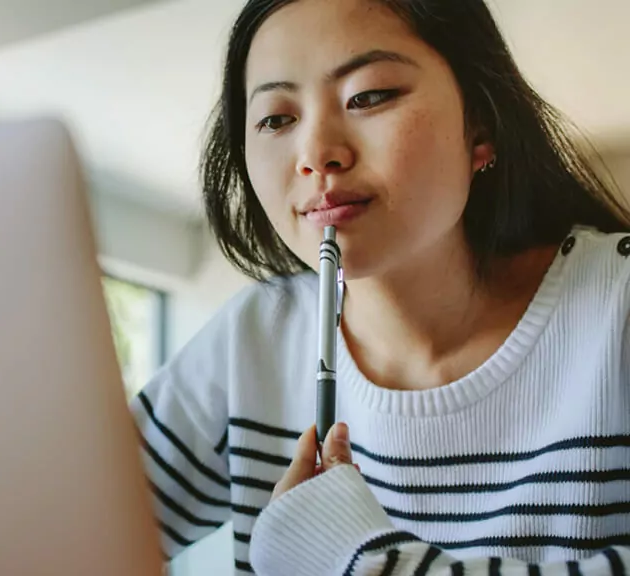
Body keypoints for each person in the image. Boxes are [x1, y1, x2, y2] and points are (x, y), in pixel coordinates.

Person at [129, 0, 630, 574]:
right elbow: (58, 538)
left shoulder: (620, 307)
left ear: (482, 124)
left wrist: (359, 561)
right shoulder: (252, 338)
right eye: (275, 118)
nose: (317, 155)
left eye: (368, 96)